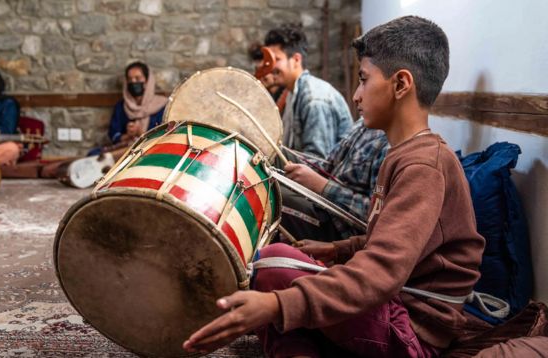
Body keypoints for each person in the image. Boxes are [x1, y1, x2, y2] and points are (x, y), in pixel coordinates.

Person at [183, 15, 485, 358]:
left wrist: (278, 304)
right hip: (395, 306)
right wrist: (339, 249)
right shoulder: (404, 154)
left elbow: (382, 272)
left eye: (363, 80)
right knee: (275, 266)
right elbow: (389, 238)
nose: (356, 95)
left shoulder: (424, 165)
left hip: (413, 331)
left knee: (272, 270)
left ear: (401, 84)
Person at [281, 118, 389, 242]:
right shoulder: (364, 122)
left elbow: (377, 215)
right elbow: (328, 165)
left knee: (273, 195)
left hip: (338, 227)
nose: (356, 97)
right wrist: (304, 172)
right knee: (275, 154)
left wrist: (321, 185)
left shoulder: (390, 145)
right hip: (320, 200)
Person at [265, 23, 353, 160]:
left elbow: (317, 162)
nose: (270, 66)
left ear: (296, 60)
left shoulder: (314, 99)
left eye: (276, 59)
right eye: (268, 60)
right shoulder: (291, 94)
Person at [88, 61, 168, 157]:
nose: (133, 82)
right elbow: (113, 134)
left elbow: (165, 136)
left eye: (137, 78)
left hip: (150, 150)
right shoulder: (121, 106)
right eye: (130, 79)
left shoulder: (161, 106)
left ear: (147, 81)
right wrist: (128, 135)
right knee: (93, 154)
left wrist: (140, 132)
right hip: (125, 148)